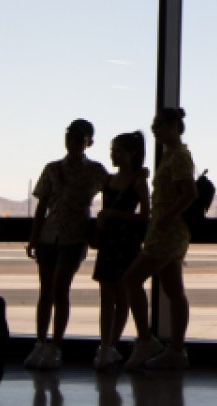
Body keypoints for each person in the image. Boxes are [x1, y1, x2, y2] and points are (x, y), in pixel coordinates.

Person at [24, 119, 110, 370]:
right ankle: (41, 342)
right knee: (46, 290)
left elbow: (114, 190)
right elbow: (41, 206)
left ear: (89, 142)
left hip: (74, 235)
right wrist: (35, 236)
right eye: (70, 135)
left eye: (78, 137)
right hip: (50, 235)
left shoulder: (95, 170)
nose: (72, 141)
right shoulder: (52, 169)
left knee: (60, 289)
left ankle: (56, 345)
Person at [120, 108, 197, 369]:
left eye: (159, 125)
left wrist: (167, 217)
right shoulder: (171, 156)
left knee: (131, 279)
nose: (155, 130)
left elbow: (190, 193)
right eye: (153, 126)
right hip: (166, 231)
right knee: (174, 290)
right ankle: (176, 349)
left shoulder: (179, 157)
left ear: (174, 125)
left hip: (167, 232)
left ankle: (145, 340)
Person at [92, 132, 150, 368]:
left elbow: (145, 215)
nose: (113, 155)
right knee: (107, 295)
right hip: (110, 241)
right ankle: (106, 344)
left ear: (131, 154)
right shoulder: (108, 180)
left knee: (120, 293)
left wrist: (112, 215)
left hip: (125, 242)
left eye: (118, 151)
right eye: (112, 150)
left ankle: (111, 343)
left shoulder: (137, 182)